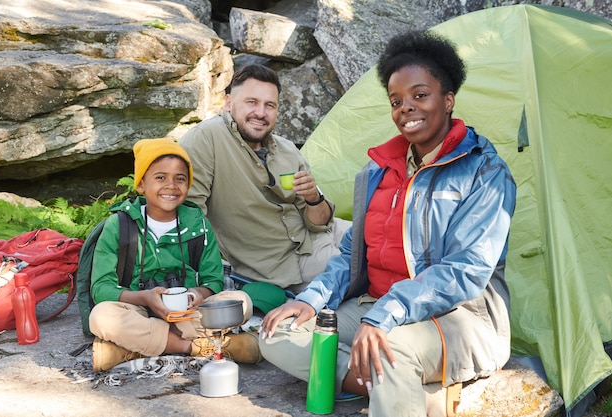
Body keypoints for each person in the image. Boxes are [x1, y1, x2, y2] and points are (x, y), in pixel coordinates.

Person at [258, 30, 517, 416]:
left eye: (420, 95)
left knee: (390, 348)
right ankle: (404, 394)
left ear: (448, 101)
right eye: (397, 101)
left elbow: (466, 271)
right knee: (277, 332)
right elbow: (351, 255)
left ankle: (393, 385)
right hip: (376, 305)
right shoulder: (378, 171)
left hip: (460, 318)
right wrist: (311, 301)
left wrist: (386, 315)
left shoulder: (485, 173)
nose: (406, 108)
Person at [179, 64, 351, 305]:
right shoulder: (207, 138)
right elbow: (190, 215)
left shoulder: (287, 150)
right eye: (252, 102)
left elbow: (321, 222)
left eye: (269, 105)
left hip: (325, 232)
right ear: (229, 102)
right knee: (366, 268)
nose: (261, 113)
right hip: (288, 262)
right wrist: (208, 283)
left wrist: (314, 197)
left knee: (383, 239)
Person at [89, 138, 261, 372]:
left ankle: (132, 348)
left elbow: (213, 280)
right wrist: (145, 297)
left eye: (180, 179)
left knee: (242, 303)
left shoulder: (197, 223)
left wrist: (197, 293)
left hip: (187, 314)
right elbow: (101, 288)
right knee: (101, 316)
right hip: (137, 310)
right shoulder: (119, 225)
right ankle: (194, 347)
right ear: (141, 184)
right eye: (160, 177)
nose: (171, 185)